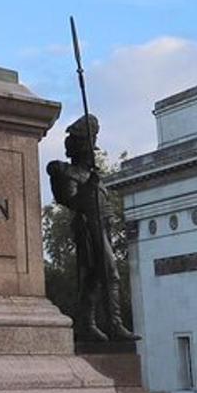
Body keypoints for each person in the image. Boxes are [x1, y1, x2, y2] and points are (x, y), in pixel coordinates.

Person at [47, 114, 138, 342]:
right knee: (109, 274)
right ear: (81, 152)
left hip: (103, 227)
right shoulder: (70, 173)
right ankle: (113, 324)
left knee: (94, 278)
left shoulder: (93, 176)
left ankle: (87, 324)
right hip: (88, 228)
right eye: (90, 151)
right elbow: (71, 202)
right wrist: (89, 188)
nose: (93, 156)